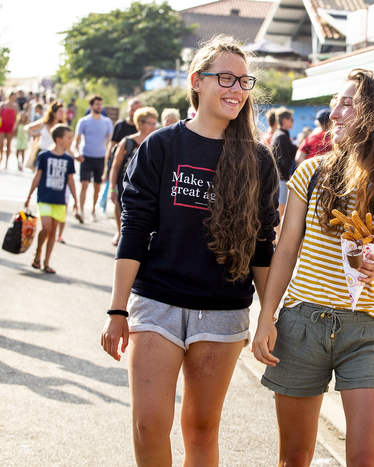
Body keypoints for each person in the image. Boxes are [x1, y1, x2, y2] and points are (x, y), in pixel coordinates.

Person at [99, 35, 278, 466]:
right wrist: (117, 310)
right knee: (148, 423)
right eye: (226, 78)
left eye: (244, 81)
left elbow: (262, 246)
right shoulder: (161, 146)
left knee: (200, 428)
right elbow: (135, 229)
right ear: (197, 81)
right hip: (157, 302)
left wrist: (267, 317)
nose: (236, 89)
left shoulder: (257, 159)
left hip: (222, 311)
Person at [252, 69, 374, 466]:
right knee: (295, 457)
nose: (333, 113)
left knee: (365, 460)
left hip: (369, 330)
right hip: (302, 322)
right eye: (336, 103)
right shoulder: (312, 173)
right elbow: (285, 250)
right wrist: (266, 316)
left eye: (347, 104)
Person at [23, 124, 78, 274]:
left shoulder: (68, 159)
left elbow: (71, 181)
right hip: (45, 198)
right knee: (45, 227)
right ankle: (38, 253)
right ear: (59, 139)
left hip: (59, 200)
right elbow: (37, 176)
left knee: (53, 232)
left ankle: (46, 262)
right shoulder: (44, 156)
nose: (71, 141)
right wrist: (29, 196)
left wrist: (76, 201)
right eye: (69, 138)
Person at [108, 106, 159, 246]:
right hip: (125, 182)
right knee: (121, 206)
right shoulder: (127, 141)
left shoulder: (155, 142)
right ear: (140, 123)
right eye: (151, 123)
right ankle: (120, 233)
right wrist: (112, 188)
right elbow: (116, 166)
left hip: (147, 184)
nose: (154, 126)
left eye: (155, 123)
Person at [102, 98, 142, 239]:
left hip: (137, 173)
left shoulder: (142, 127)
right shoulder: (120, 125)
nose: (133, 111)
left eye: (137, 108)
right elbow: (111, 146)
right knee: (119, 200)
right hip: (120, 167)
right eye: (132, 108)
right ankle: (119, 232)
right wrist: (107, 167)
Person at [73, 95, 113, 222]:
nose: (99, 106)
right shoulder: (83, 121)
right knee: (84, 184)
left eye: (100, 104)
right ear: (91, 106)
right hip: (86, 156)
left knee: (97, 186)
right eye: (96, 104)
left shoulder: (107, 122)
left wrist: (108, 159)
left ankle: (93, 210)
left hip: (100, 158)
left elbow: (110, 141)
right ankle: (81, 210)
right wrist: (77, 153)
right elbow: (76, 141)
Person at [271, 108, 296, 223]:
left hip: (280, 177)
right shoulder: (282, 136)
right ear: (285, 120)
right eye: (291, 119)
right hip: (282, 178)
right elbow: (284, 161)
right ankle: (278, 236)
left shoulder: (280, 134)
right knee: (281, 209)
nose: (293, 122)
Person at [0, 92, 19, 166]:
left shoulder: (15, 106)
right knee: (0, 143)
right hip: (2, 125)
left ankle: (6, 162)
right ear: (10, 96)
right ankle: (1, 157)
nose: (14, 98)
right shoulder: (3, 104)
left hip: (11, 126)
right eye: (13, 96)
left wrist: (15, 126)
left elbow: (17, 117)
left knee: (8, 144)